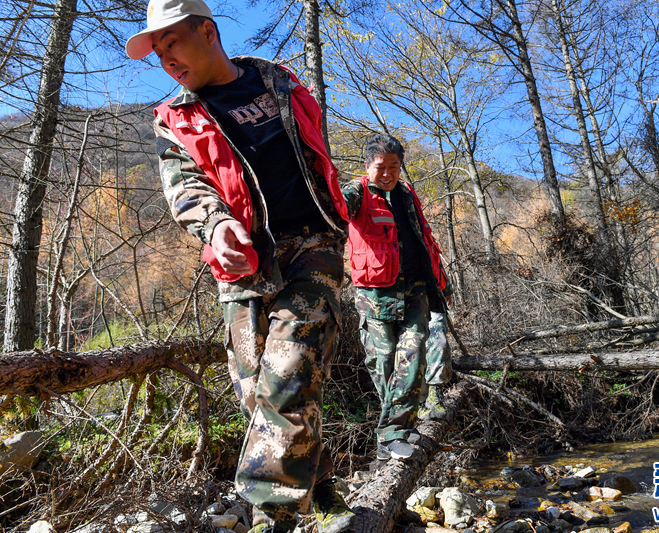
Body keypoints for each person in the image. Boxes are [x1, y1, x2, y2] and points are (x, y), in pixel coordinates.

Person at [125, 1, 355, 532]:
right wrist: (216, 225)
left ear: (207, 31)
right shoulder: (175, 118)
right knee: (256, 392)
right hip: (243, 265)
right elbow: (185, 185)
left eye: (172, 44)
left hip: (311, 245)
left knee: (290, 370)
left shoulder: (281, 83)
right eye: (157, 53)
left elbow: (315, 156)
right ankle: (324, 492)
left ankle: (271, 516)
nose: (167, 61)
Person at [342, 134, 452, 461]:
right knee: (385, 359)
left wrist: (441, 281)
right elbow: (337, 210)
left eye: (394, 166)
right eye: (381, 167)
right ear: (367, 166)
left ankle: (393, 432)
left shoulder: (406, 193)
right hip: (376, 294)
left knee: (414, 351)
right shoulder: (357, 191)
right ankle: (399, 424)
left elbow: (425, 238)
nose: (388, 173)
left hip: (416, 287)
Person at [418, 310, 451, 420]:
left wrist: (446, 291)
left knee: (439, 341)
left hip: (432, 297)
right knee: (414, 347)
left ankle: (434, 393)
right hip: (401, 300)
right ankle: (420, 401)